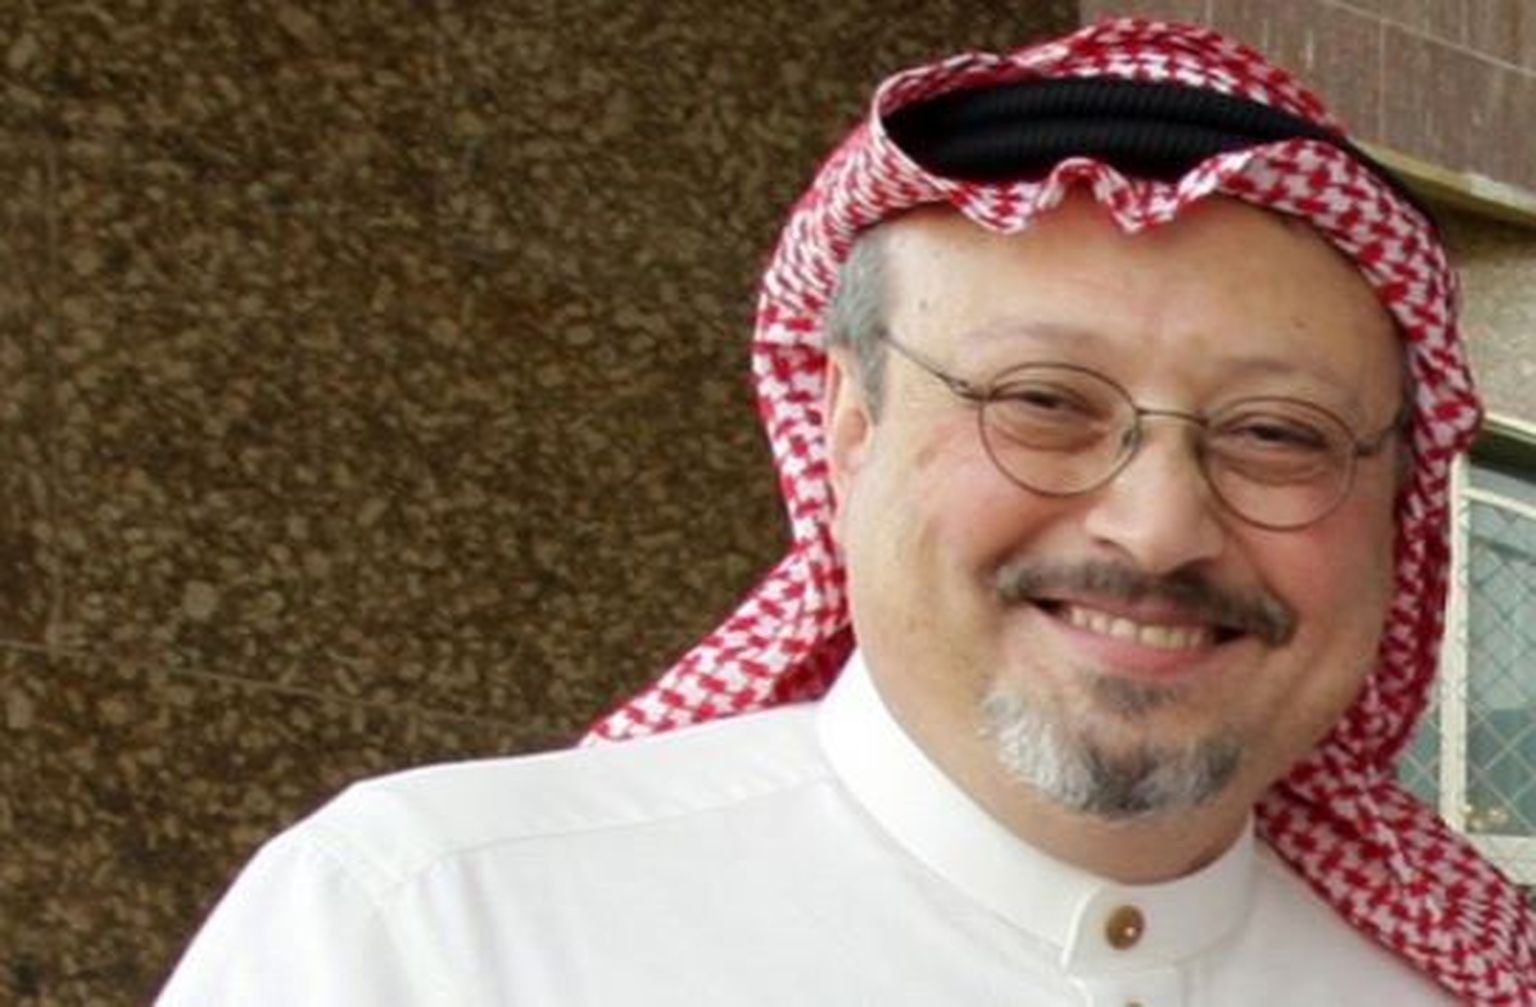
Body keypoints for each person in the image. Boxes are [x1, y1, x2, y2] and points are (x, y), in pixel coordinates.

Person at [159, 18, 1535, 1005]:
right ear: (849, 425)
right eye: (1042, 402)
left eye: (1279, 435)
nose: (1159, 526)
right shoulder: (434, 935)